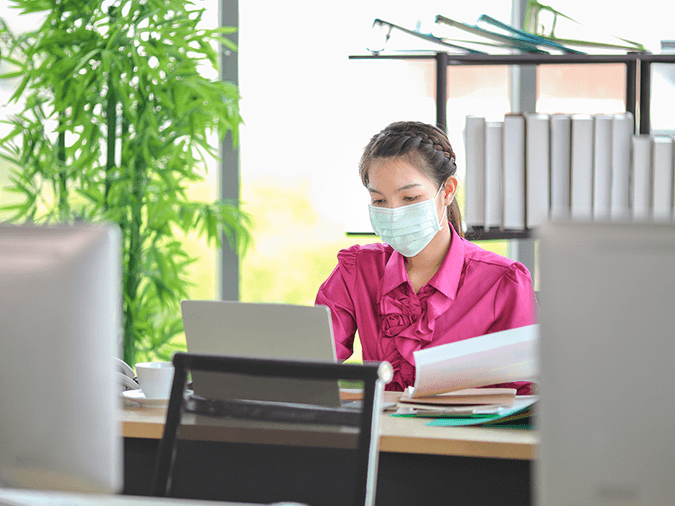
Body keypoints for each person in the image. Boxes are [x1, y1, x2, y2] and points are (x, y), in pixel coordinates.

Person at [316, 121, 537, 393]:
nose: (394, 212)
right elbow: (310, 359)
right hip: (384, 433)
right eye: (380, 201)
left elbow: (522, 396)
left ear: (447, 191)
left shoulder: (503, 281)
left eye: (409, 197)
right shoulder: (358, 271)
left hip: (469, 433)